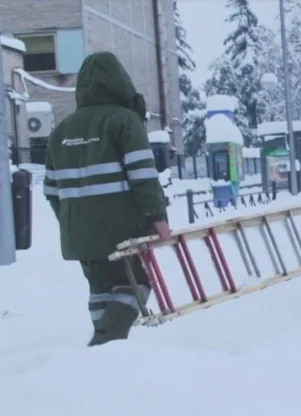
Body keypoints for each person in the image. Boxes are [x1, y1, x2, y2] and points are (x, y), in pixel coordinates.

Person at [43, 51, 170, 346]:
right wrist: (158, 217)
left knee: (100, 288)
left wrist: (72, 220)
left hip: (80, 237)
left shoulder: (61, 130)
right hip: (122, 232)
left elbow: (50, 190)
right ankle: (105, 345)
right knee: (136, 283)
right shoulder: (124, 121)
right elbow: (143, 176)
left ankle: (105, 360)